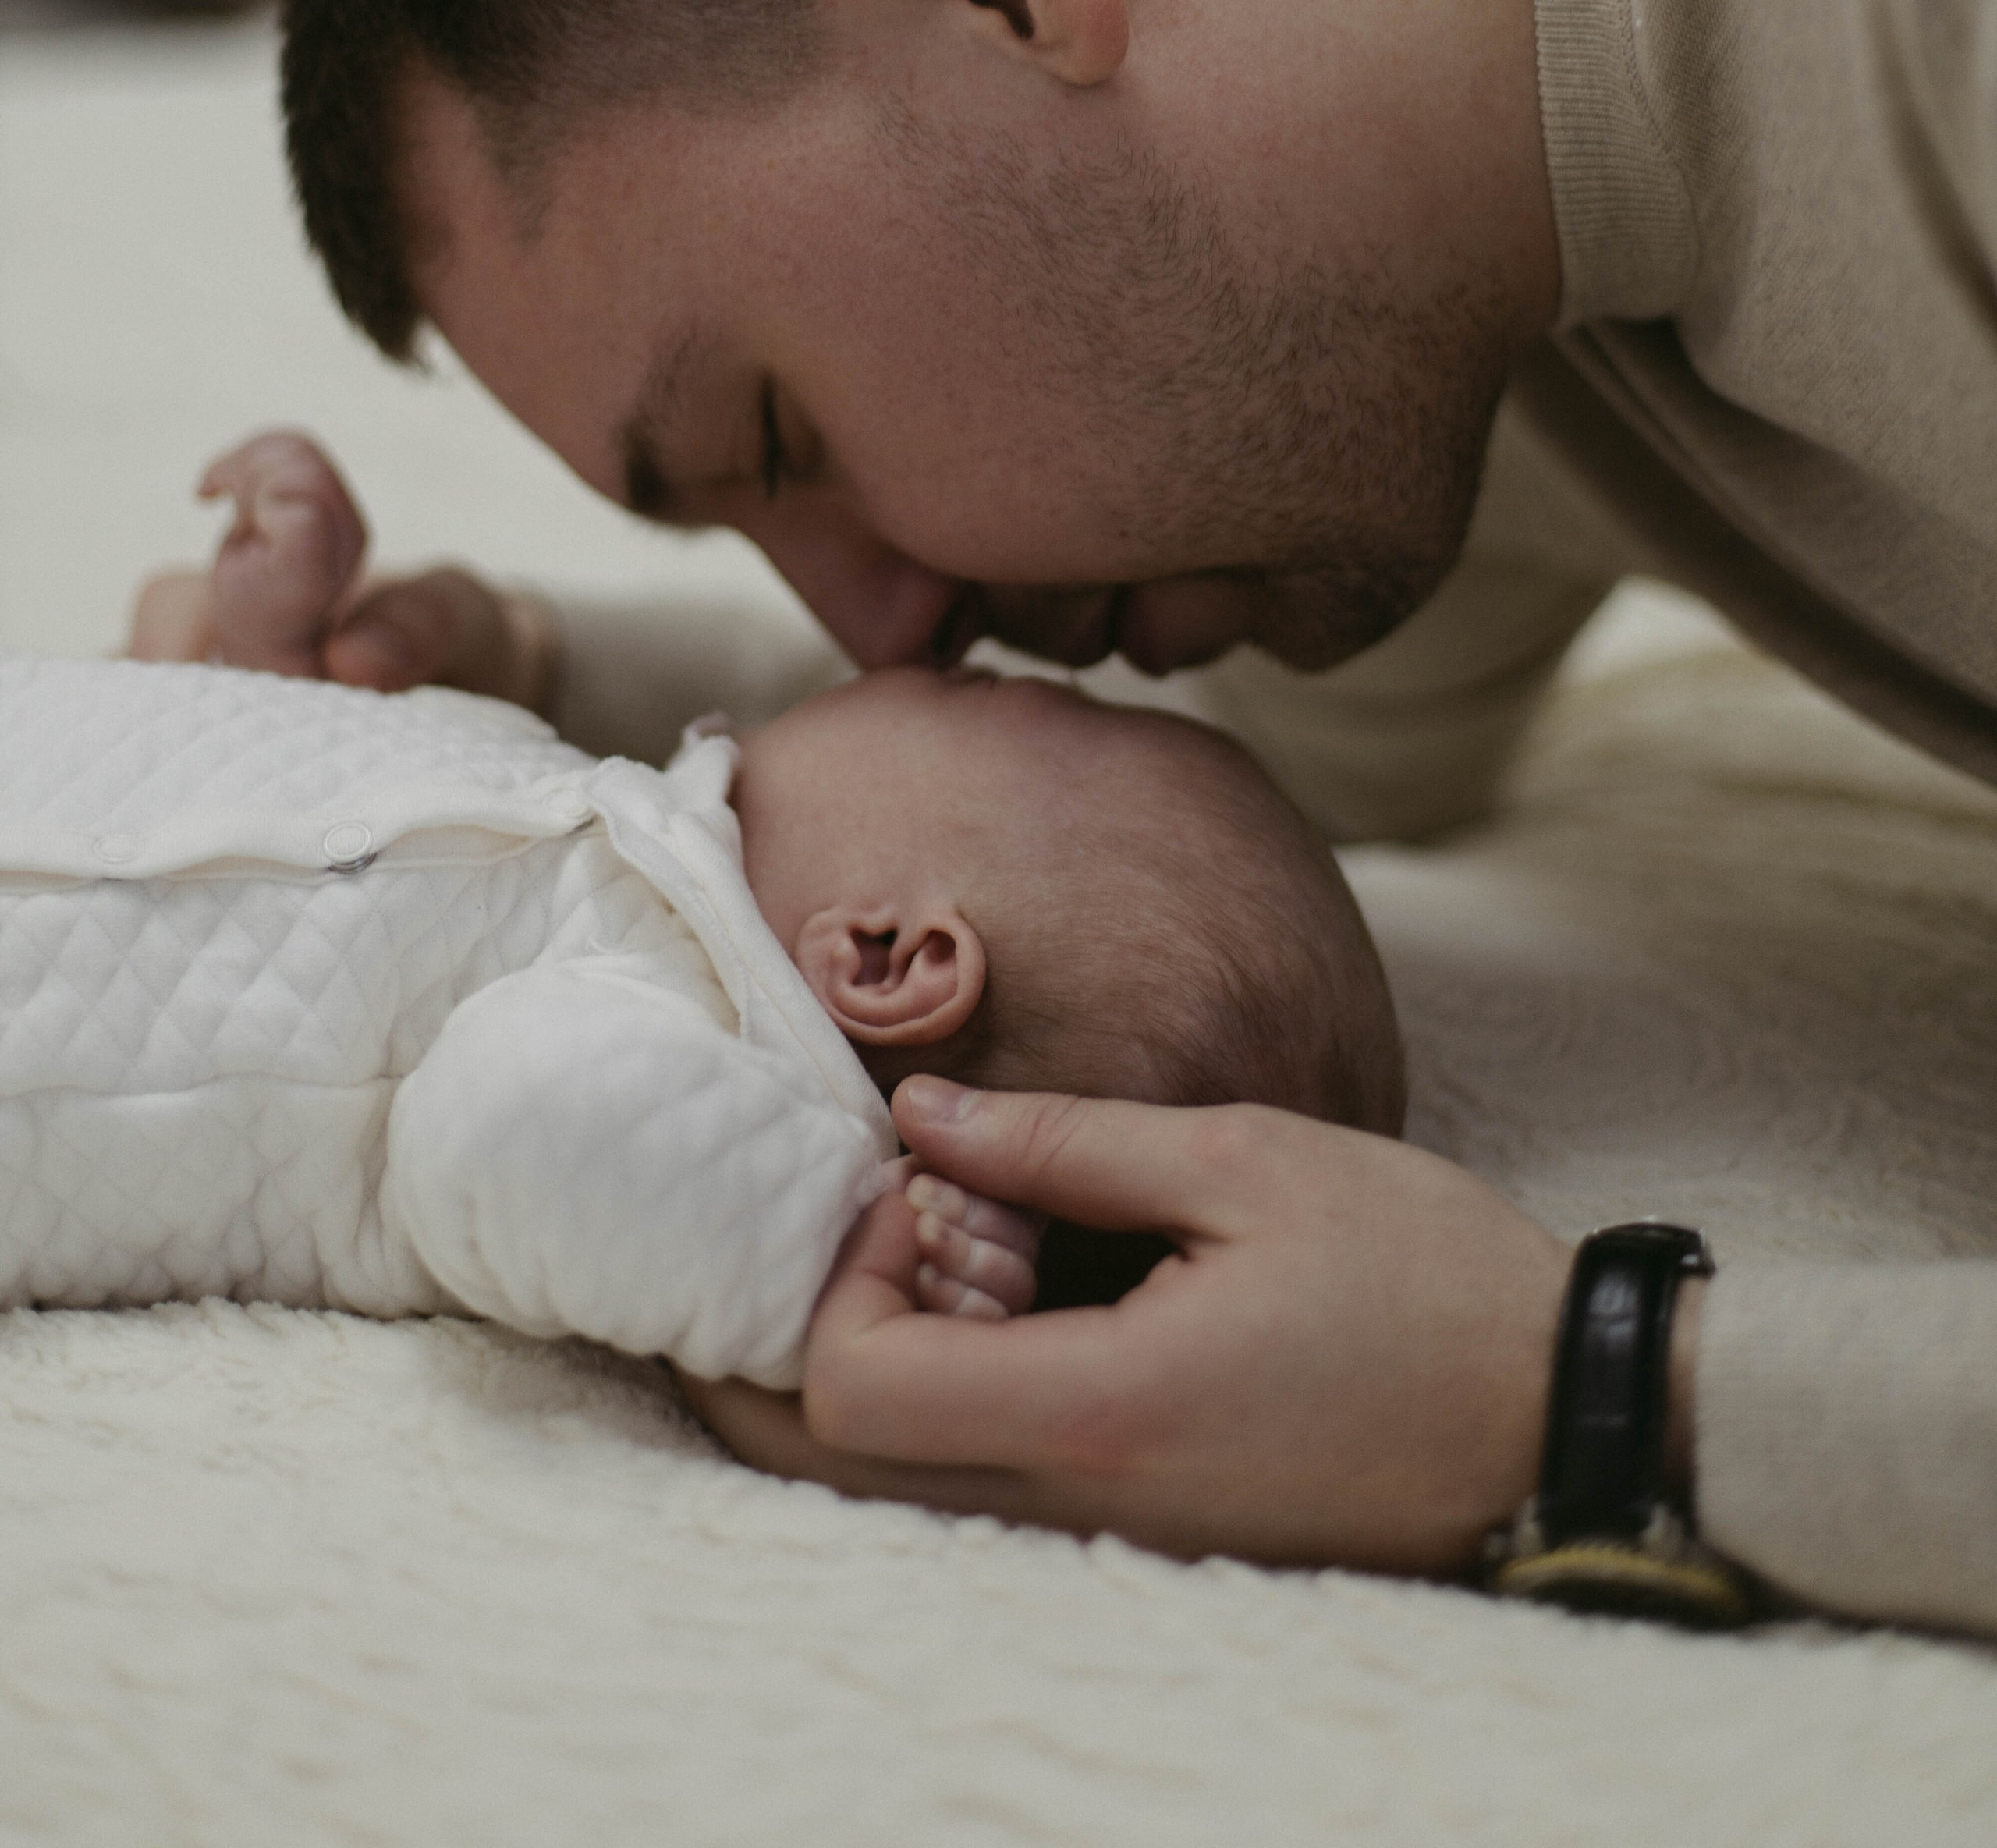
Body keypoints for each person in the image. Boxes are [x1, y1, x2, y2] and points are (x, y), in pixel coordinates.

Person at [134, 0, 1997, 1634]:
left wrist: (1594, 1395)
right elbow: (1257, 792)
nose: (886, 614)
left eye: (783, 434)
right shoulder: (1420, 217)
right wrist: (509, 698)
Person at [50, 430, 1398, 1365]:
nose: (924, 661)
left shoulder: (665, 1025)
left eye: (996, 698)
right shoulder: (619, 827)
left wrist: (837, 1247)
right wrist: (270, 650)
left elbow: (509, 1125)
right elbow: (291, 846)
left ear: (888, 955)